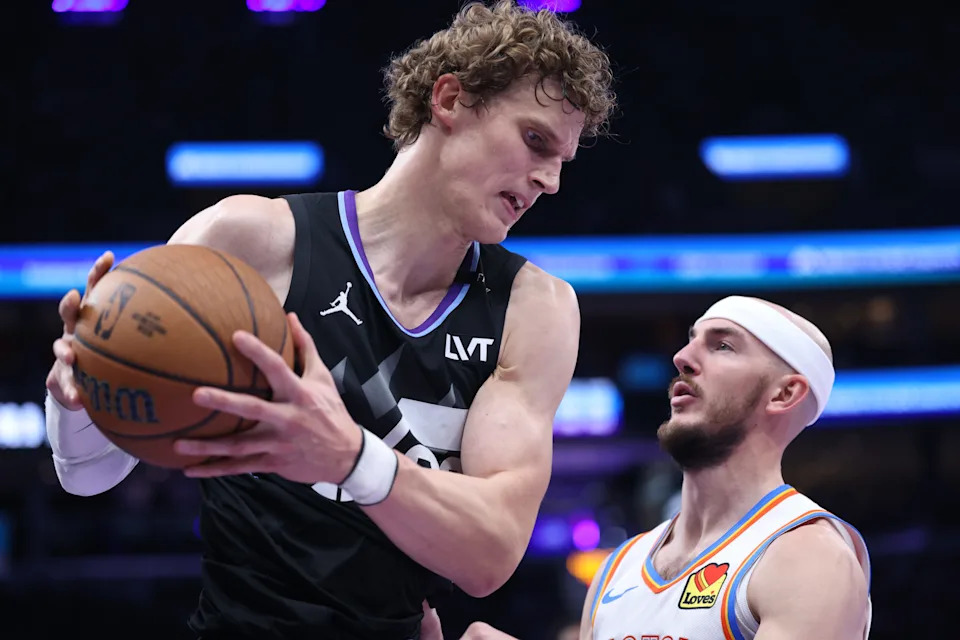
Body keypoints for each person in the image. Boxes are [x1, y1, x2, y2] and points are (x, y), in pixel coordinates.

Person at [42, 2, 617, 639]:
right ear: (450, 99)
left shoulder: (535, 308)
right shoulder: (247, 241)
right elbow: (87, 475)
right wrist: (77, 399)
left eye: (563, 159)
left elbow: (491, 554)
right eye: (535, 140)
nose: (550, 181)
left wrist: (347, 456)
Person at [447, 296, 872, 640]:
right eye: (691, 341)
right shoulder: (618, 568)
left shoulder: (808, 557)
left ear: (784, 394)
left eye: (722, 345)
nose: (682, 357)